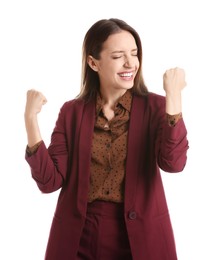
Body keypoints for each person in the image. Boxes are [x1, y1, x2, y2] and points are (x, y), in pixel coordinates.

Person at [24, 18, 189, 260]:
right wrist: (30, 119)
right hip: (79, 236)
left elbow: (173, 163)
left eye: (134, 53)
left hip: (140, 238)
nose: (130, 63)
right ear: (93, 62)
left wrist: (173, 97)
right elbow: (49, 182)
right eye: (118, 56)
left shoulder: (156, 107)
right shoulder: (72, 112)